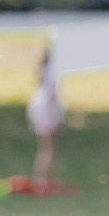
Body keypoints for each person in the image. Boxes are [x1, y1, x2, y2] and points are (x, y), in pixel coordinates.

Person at [26, 44, 65, 189]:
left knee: (44, 147)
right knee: (49, 148)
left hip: (38, 108)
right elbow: (52, 95)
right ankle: (44, 180)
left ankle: (43, 178)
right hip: (47, 111)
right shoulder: (53, 72)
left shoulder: (44, 70)